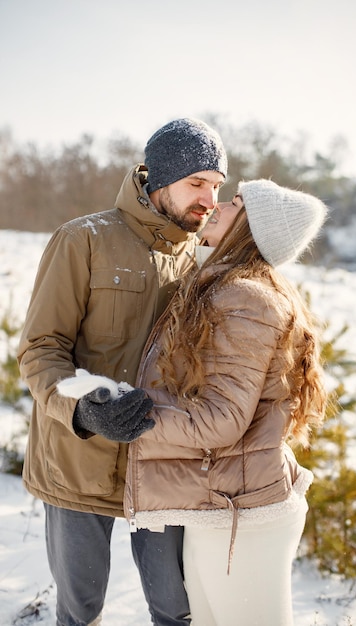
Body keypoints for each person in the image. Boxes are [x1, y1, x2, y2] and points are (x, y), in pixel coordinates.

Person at [17, 117, 228, 626]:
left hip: (160, 469)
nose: (210, 198)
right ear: (160, 180)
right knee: (80, 611)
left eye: (217, 186)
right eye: (197, 182)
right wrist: (84, 410)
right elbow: (41, 348)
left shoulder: (200, 263)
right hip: (78, 461)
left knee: (177, 611)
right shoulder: (83, 240)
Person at [121, 179, 329, 625]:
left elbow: (221, 419)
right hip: (229, 504)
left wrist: (134, 415)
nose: (218, 205)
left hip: (244, 518)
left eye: (235, 203)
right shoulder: (227, 286)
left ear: (251, 228)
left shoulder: (244, 298)